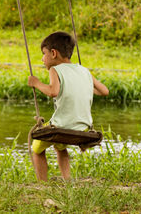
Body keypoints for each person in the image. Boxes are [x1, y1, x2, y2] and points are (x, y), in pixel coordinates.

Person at [27, 31, 109, 181]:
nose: (42, 59)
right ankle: (67, 180)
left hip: (61, 126)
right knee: (60, 146)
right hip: (83, 128)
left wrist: (37, 83)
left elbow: (53, 92)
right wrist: (82, 85)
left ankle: (42, 184)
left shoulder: (55, 70)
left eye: (44, 54)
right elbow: (104, 91)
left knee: (36, 148)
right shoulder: (84, 71)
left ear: (53, 53)